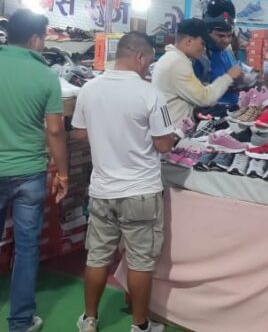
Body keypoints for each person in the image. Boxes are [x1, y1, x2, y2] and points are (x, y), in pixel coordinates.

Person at [0, 9, 70, 332]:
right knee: (27, 246)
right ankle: (21, 320)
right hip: (30, 172)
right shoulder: (46, 76)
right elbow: (55, 131)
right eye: (43, 38)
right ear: (34, 38)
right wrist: (63, 174)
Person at [73, 32, 183, 332]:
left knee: (97, 257)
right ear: (139, 57)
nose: (148, 67)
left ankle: (90, 319)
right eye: (149, 61)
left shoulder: (89, 89)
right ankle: (140, 325)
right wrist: (173, 134)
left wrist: (105, 133)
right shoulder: (150, 94)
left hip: (102, 190)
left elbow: (79, 133)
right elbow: (163, 145)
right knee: (140, 262)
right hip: (141, 191)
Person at [152, 18, 243, 123]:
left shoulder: (172, 58)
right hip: (172, 128)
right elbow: (205, 98)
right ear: (189, 41)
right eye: (202, 43)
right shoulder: (177, 63)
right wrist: (229, 76)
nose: (203, 48)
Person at [193, 0, 240, 106]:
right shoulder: (199, 56)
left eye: (230, 36)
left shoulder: (227, 50)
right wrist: (226, 85)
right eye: (221, 36)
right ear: (207, 33)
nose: (227, 41)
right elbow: (194, 93)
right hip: (209, 112)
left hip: (232, 110)